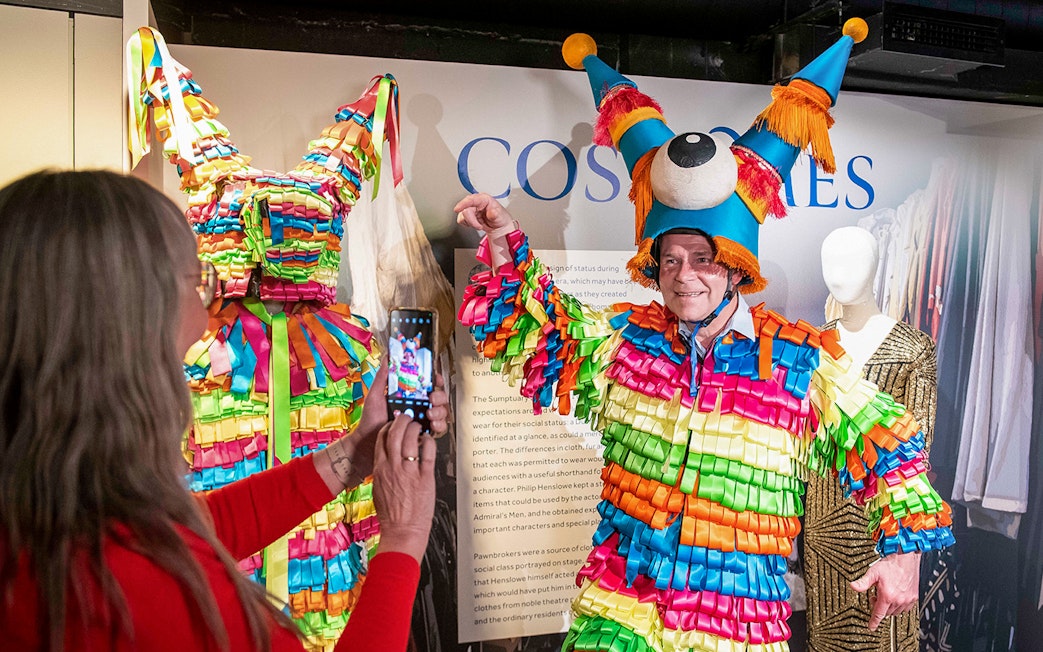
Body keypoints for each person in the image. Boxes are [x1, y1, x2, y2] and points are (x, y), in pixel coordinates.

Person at [457, 20, 953, 652]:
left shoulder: (800, 365)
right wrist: (503, 242)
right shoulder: (625, 345)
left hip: (734, 632)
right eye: (669, 260)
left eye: (702, 258)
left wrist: (904, 554)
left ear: (736, 265)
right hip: (618, 620)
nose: (683, 277)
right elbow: (540, 327)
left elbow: (892, 447)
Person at [0, 169, 448, 651]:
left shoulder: (53, 516)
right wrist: (402, 540)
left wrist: (354, 453)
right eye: (195, 285)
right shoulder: (150, 595)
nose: (202, 320)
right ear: (124, 326)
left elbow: (196, 527)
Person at [803, 226, 944, 652]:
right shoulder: (812, 345)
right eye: (832, 260)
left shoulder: (913, 348)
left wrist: (907, 551)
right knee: (825, 637)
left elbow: (915, 460)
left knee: (885, 634)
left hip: (883, 532)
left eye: (853, 259)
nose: (840, 272)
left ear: (877, 264)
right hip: (820, 527)